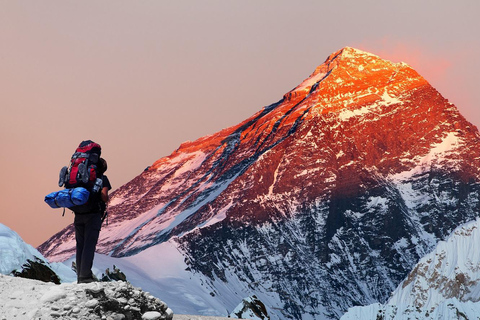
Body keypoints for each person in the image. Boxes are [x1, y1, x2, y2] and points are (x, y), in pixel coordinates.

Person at [74, 157, 112, 283]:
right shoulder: (103, 179)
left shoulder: (82, 178)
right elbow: (104, 196)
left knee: (80, 245)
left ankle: (80, 275)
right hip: (93, 215)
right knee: (89, 246)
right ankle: (85, 276)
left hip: (78, 214)